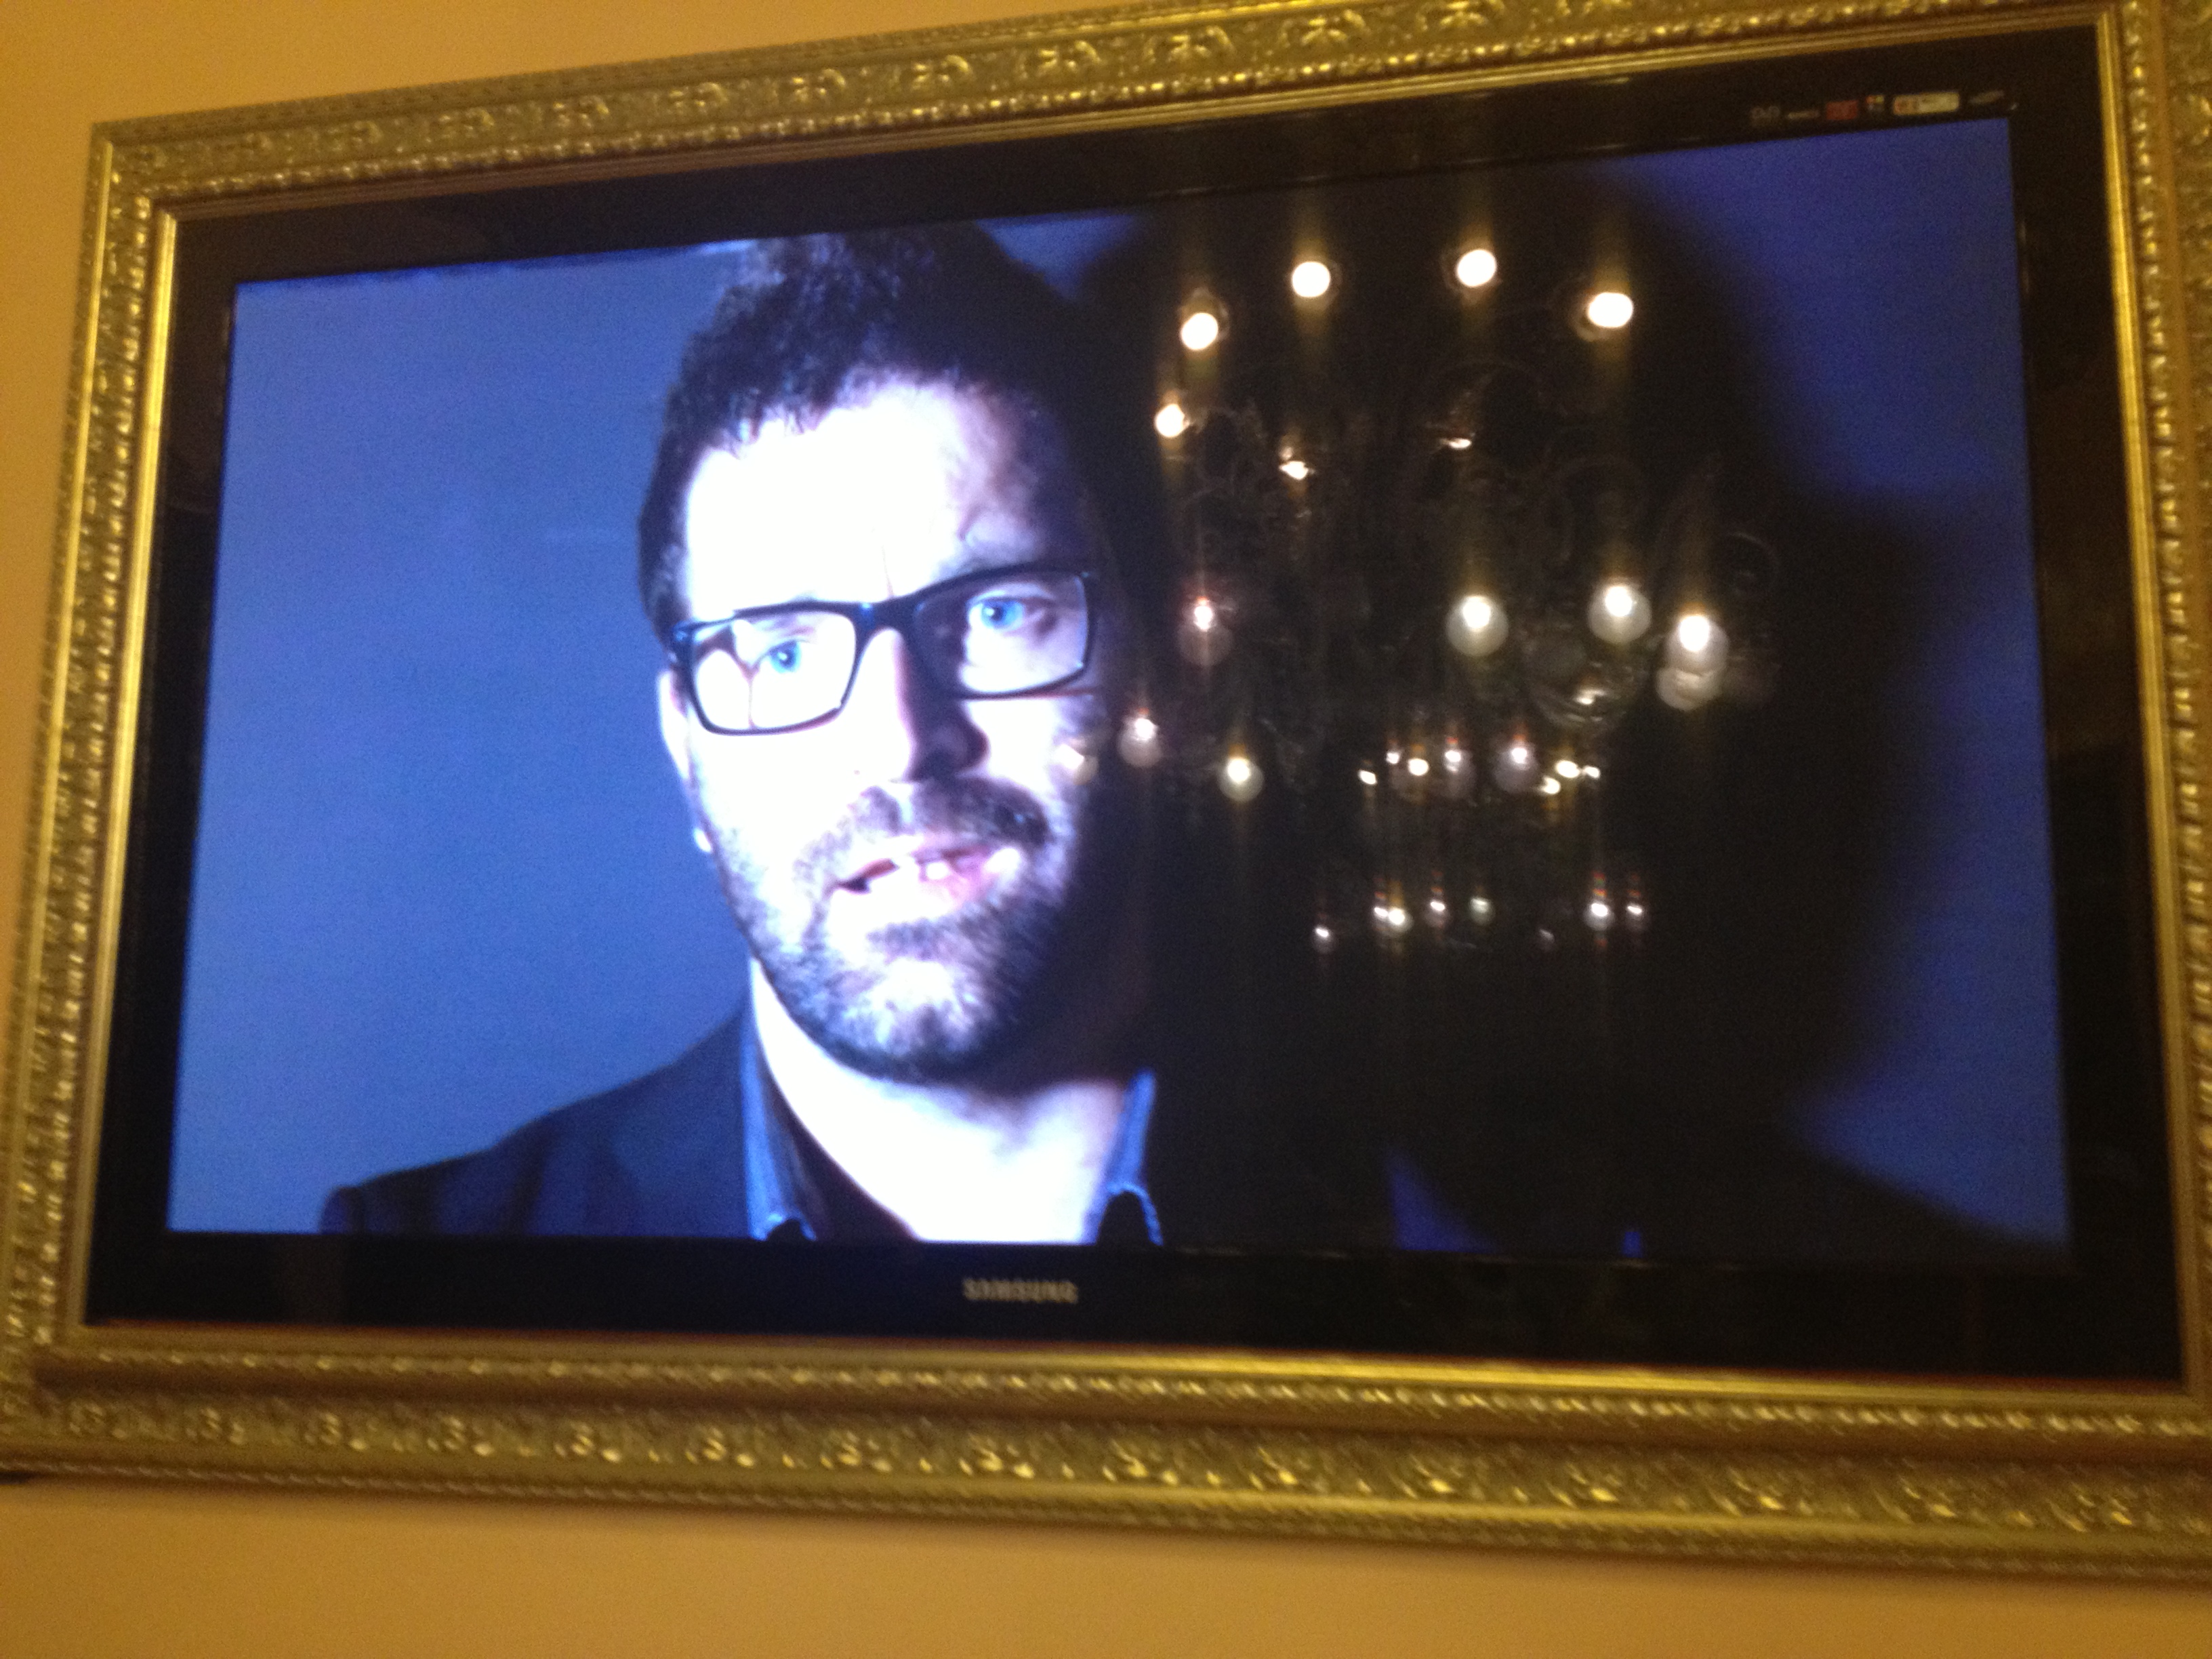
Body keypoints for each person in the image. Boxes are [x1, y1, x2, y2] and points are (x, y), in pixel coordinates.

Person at [322, 227, 1194, 1244]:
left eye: (997, 612)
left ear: (1156, 664)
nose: (898, 742)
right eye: (782, 655)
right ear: (686, 755)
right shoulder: (418, 1272)